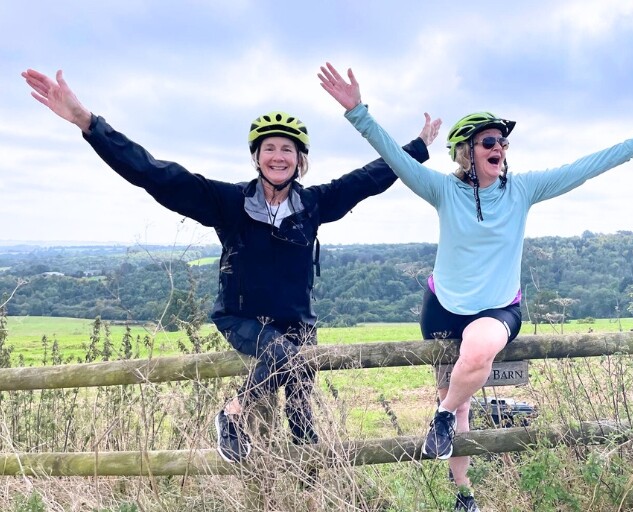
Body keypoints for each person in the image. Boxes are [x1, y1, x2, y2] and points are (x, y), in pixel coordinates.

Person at [319, 62, 633, 511]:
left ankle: (438, 418)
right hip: (442, 306)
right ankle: (464, 495)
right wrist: (358, 111)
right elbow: (396, 159)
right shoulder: (443, 191)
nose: (500, 147)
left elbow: (584, 167)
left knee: (474, 358)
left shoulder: (523, 190)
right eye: (489, 142)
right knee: (460, 404)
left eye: (502, 141)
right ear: (466, 152)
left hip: (498, 307)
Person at [22, 68, 442, 464]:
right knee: (282, 356)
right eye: (270, 148)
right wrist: (86, 121)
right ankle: (233, 413)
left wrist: (418, 148)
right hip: (242, 318)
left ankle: (303, 491)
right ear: (256, 157)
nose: (278, 156)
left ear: (300, 160)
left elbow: (370, 177)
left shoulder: (313, 205)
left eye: (287, 150)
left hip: (298, 323)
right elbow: (155, 174)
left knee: (303, 425)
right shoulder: (230, 204)